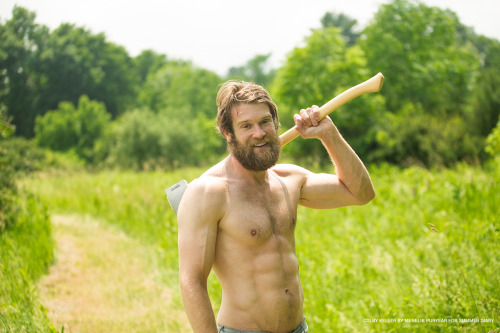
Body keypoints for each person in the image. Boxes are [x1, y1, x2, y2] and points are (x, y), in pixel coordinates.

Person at [177, 81, 375, 333]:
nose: (259, 133)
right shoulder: (209, 192)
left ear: (276, 123)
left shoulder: (289, 179)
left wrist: (329, 134)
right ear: (228, 133)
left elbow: (361, 193)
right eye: (246, 126)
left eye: (265, 122)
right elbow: (192, 280)